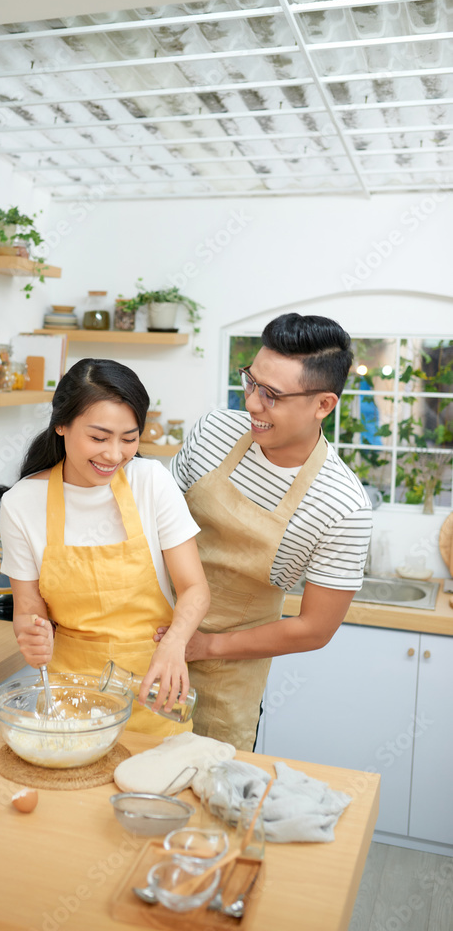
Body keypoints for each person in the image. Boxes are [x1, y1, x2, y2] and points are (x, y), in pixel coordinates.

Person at [161, 313, 372, 750]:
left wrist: (205, 647)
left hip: (226, 672)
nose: (253, 404)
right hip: (145, 633)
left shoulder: (341, 505)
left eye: (272, 394)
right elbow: (153, 522)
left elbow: (314, 628)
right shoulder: (213, 432)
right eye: (250, 382)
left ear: (323, 405)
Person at [0, 357, 211, 736]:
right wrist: (30, 634)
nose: (114, 455)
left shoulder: (151, 483)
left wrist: (175, 642)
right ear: (61, 425)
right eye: (98, 438)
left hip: (154, 696)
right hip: (70, 703)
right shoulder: (21, 502)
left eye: (129, 439)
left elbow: (195, 587)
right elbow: (29, 607)